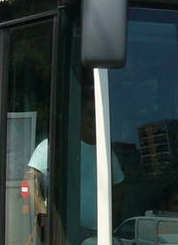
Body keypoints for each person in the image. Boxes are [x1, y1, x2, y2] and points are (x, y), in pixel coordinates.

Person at [26, 93, 124, 234]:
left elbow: (119, 187)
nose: (94, 120)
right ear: (79, 117)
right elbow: (29, 181)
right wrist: (44, 214)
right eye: (90, 115)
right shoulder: (53, 146)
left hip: (101, 234)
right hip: (63, 233)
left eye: (97, 115)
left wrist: (112, 218)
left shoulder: (107, 152)